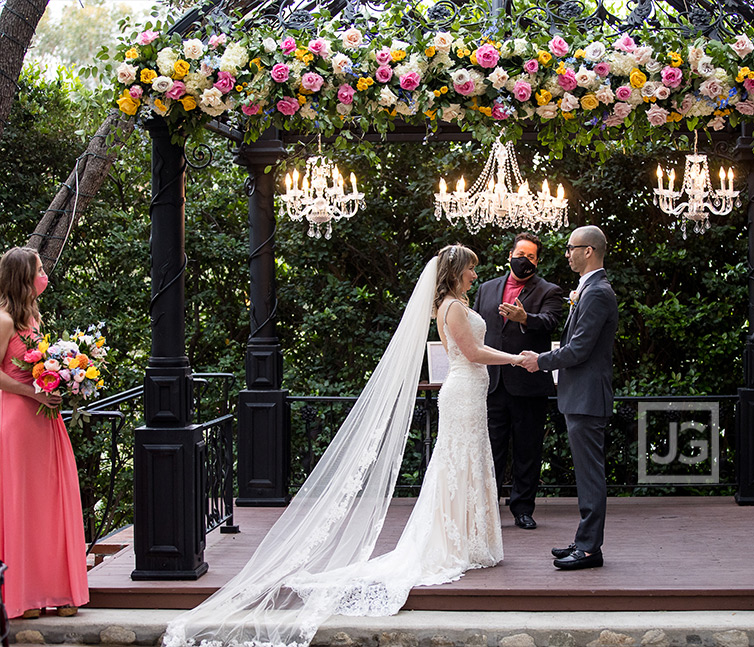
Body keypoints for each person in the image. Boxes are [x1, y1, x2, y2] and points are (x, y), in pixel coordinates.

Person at [165, 245, 525, 647]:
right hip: (463, 393)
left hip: (470, 394)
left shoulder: (451, 305)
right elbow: (472, 353)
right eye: (471, 270)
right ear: (457, 271)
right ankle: (454, 542)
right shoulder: (453, 309)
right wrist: (515, 359)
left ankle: (468, 539)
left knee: (466, 463)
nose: (476, 276)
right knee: (457, 464)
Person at [521, 225, 617, 571]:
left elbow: (578, 349)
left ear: (588, 251)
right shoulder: (588, 290)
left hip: (588, 397)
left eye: (571, 248)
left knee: (590, 475)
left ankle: (590, 548)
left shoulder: (597, 293)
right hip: (580, 395)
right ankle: (585, 541)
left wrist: (539, 361)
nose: (567, 254)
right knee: (586, 473)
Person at [0, 247, 88, 619]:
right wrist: (31, 391)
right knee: (23, 504)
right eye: (39, 271)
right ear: (23, 276)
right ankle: (25, 594)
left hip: (44, 419)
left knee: (50, 501)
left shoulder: (32, 318)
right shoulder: (4, 320)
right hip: (17, 420)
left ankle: (55, 590)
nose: (44, 276)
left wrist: (64, 380)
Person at [473, 233, 562, 530]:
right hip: (492, 383)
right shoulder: (486, 289)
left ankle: (523, 509)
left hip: (528, 384)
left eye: (532, 256)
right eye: (521, 253)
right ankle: (488, 508)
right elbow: (476, 330)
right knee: (491, 448)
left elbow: (550, 322)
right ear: (510, 254)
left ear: (537, 262)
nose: (525, 259)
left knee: (528, 449)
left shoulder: (549, 291)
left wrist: (526, 318)